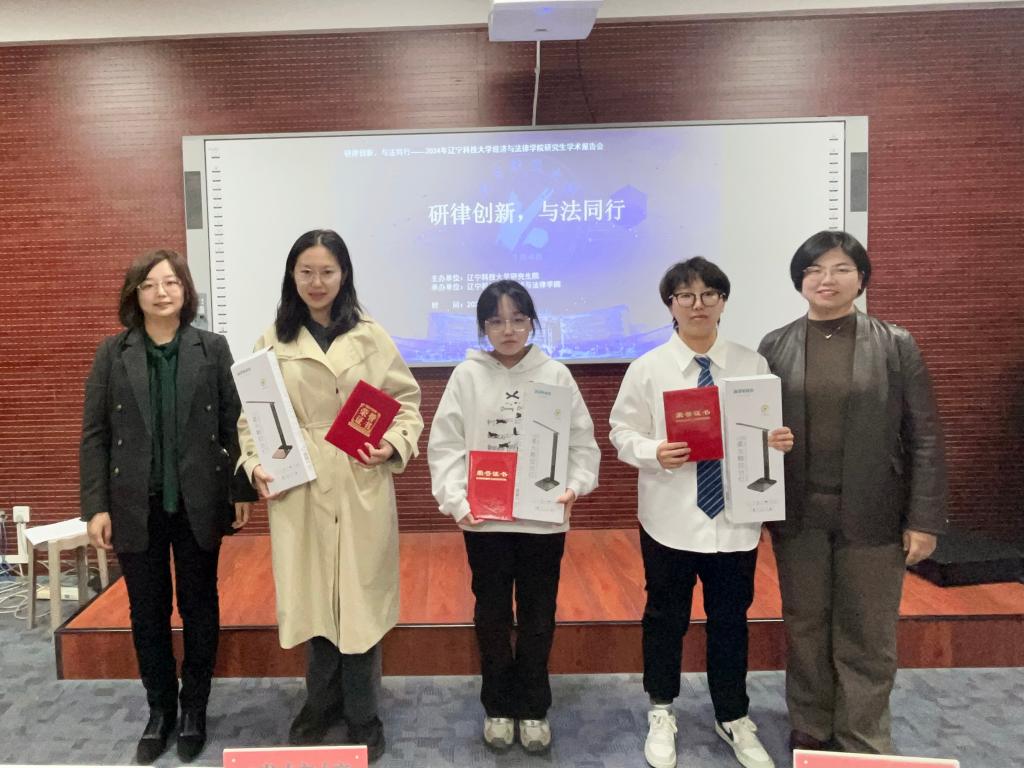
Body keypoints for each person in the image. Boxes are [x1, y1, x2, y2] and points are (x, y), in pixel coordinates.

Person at [758, 230, 947, 755]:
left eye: (841, 268)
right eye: (814, 270)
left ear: (860, 279)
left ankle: (863, 735)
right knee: (805, 625)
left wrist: (924, 520)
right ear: (800, 280)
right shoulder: (775, 346)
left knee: (867, 631)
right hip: (799, 513)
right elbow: (754, 426)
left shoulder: (895, 344)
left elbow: (925, 436)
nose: (827, 279)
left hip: (875, 512)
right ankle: (811, 726)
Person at [237, 229, 423, 763]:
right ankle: (319, 705)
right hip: (299, 481)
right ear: (292, 277)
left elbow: (406, 403)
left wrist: (391, 444)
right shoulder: (272, 340)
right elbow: (251, 419)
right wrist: (254, 464)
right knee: (315, 598)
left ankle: (364, 712)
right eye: (306, 272)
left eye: (327, 272)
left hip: (359, 476)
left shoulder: (370, 336)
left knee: (360, 599)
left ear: (344, 276)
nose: (316, 282)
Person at [610, 258, 793, 768]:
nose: (698, 305)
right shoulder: (647, 368)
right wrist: (652, 451)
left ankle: (732, 714)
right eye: (685, 296)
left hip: (736, 518)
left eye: (709, 294)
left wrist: (779, 440)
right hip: (669, 517)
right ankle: (661, 708)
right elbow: (621, 432)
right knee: (664, 617)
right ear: (670, 305)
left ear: (723, 302)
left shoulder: (752, 363)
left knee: (730, 619)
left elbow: (766, 429)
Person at [80, 249, 254, 764]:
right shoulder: (113, 353)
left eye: (171, 282)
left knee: (200, 605)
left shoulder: (212, 348)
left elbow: (235, 424)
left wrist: (240, 490)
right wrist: (96, 506)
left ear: (186, 291)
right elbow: (95, 435)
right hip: (134, 504)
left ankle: (195, 708)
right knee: (146, 611)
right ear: (135, 294)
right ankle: (160, 710)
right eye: (150, 284)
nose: (162, 292)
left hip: (199, 499)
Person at [427, 280, 600, 754]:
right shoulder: (467, 376)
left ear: (532, 322)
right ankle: (498, 705)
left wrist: (575, 485)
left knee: (539, 613)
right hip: (485, 522)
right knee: (492, 613)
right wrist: (457, 501)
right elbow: (445, 445)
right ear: (483, 326)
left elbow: (582, 443)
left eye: (518, 320)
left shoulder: (556, 374)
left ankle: (534, 705)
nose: (508, 330)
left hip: (543, 519)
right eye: (496, 321)